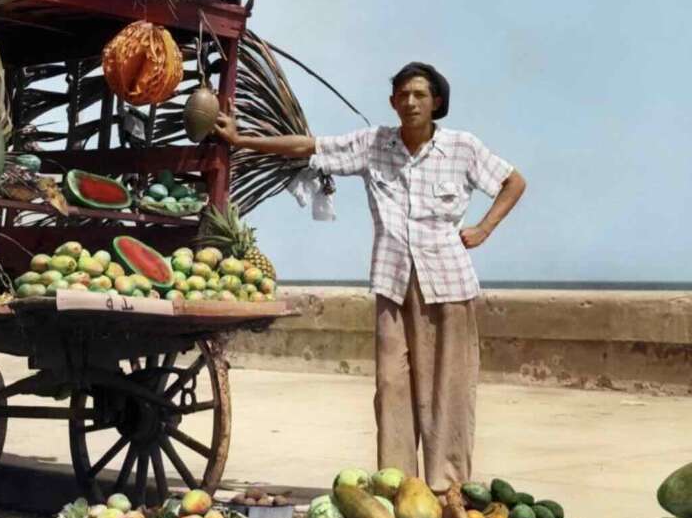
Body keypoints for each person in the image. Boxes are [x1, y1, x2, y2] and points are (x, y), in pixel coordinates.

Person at [214, 62, 525, 491]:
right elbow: (309, 146)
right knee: (392, 386)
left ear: (436, 102)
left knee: (448, 390)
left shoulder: (463, 147)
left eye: (420, 95)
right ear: (393, 102)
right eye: (403, 95)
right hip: (392, 283)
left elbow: (513, 181)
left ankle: (446, 489)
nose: (411, 102)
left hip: (449, 283)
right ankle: (399, 487)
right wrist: (241, 138)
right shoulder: (373, 144)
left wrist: (484, 228)